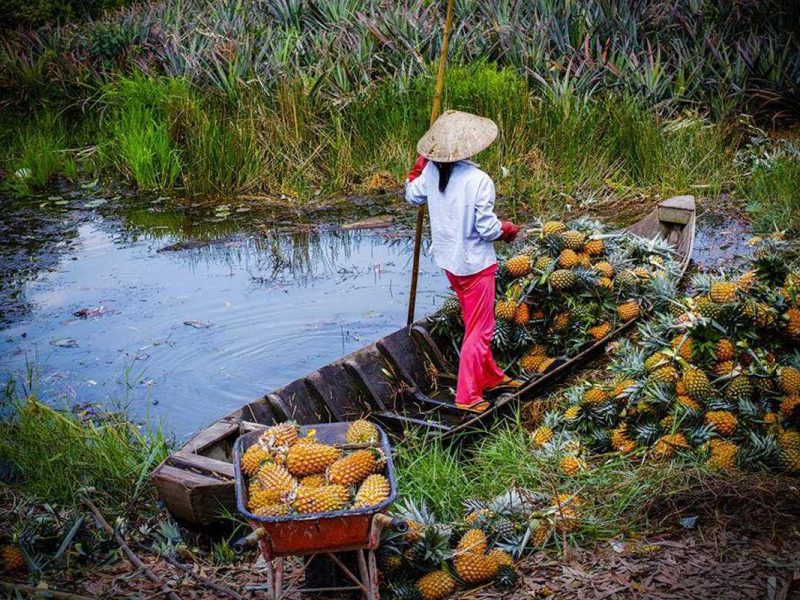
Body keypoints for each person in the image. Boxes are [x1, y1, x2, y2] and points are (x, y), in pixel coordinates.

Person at [405, 110, 521, 413]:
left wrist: (415, 172)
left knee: (474, 322)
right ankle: (468, 395)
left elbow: (412, 196)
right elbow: (486, 229)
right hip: (475, 266)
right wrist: (505, 230)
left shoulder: (433, 171)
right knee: (481, 329)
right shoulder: (478, 180)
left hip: (449, 263)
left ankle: (491, 377)